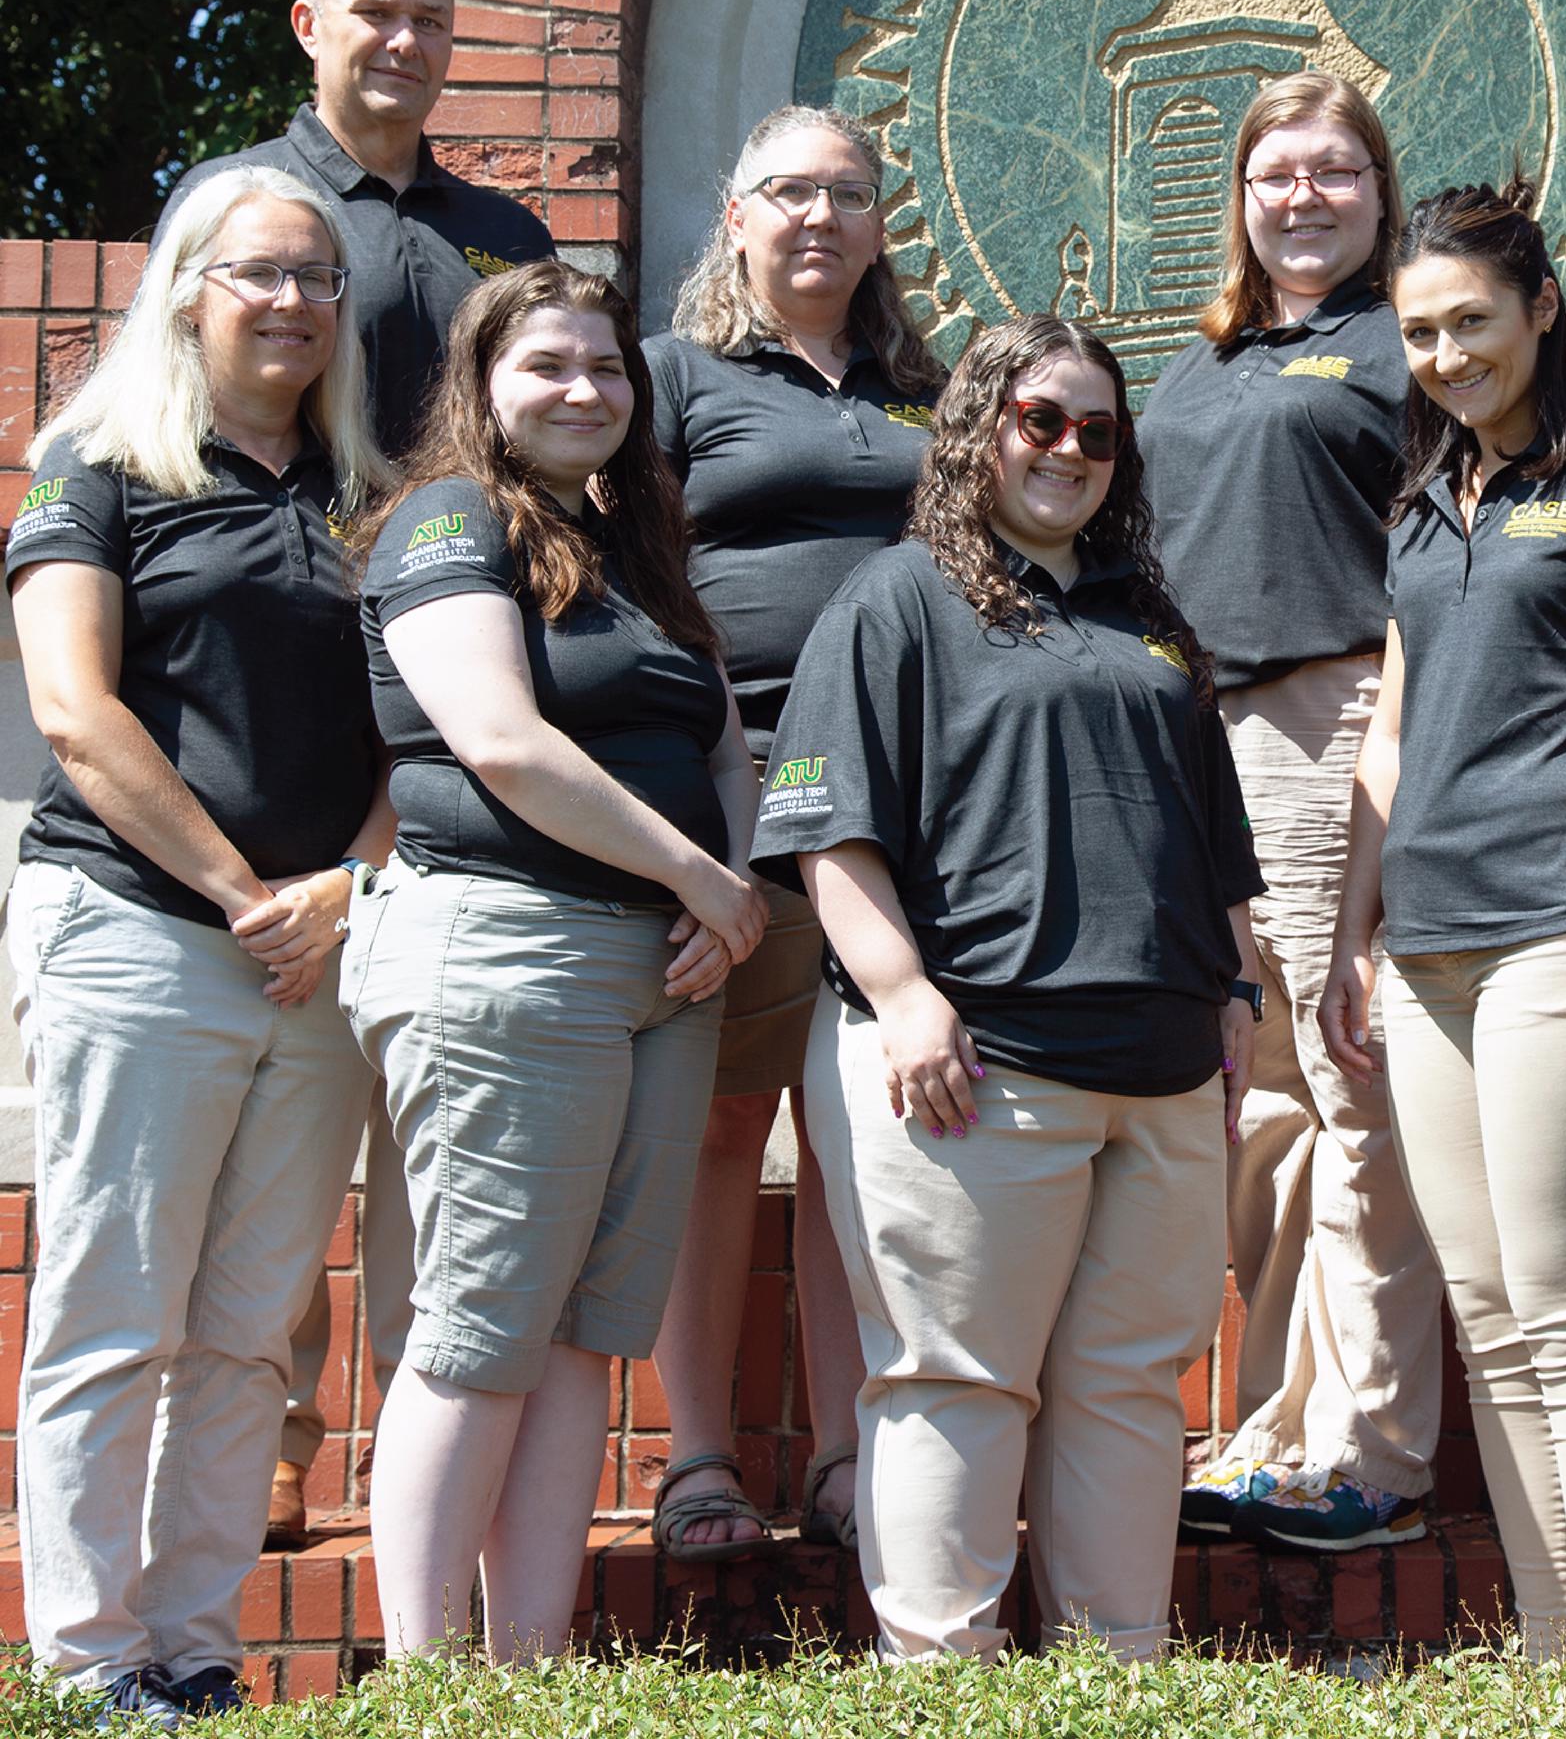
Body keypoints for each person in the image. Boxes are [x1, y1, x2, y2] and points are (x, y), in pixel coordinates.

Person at [753, 314, 1261, 1662]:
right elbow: (828, 835)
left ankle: (1114, 1675)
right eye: (1041, 419)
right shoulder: (895, 599)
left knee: (1130, 1391)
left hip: (1159, 1076)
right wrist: (906, 994)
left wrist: (1237, 1001)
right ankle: (941, 1682)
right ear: (978, 429)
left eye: (1100, 430)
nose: (1071, 450)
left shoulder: (1150, 619)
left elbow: (1212, 851)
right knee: (955, 1383)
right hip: (975, 1066)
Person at [158, 0, 555, 1549]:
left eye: (429, 20)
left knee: (425, 1112)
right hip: (284, 680)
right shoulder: (242, 204)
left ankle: (417, 1468)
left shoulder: (496, 230)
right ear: (309, 21)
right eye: (374, 13)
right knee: (282, 1116)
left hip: (460, 695)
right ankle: (277, 1438)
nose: (402, 41)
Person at [5, 166, 391, 1722]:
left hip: (316, 956)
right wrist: (249, 893)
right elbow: (72, 713)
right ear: (185, 289)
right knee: (116, 1305)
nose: (290, 301)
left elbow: (415, 736)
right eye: (256, 274)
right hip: (143, 933)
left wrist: (342, 893)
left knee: (245, 1327)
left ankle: (198, 1652)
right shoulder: (90, 466)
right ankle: (91, 1663)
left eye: (317, 277)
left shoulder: (365, 491)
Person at [1319, 183, 1566, 1658]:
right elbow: (1388, 734)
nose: (1443, 354)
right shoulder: (1428, 498)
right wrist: (1353, 933)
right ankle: (1557, 1652)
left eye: (1469, 322)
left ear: (1545, 308)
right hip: (1426, 955)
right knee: (1489, 1323)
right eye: (1420, 332)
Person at [342, 262, 765, 1661]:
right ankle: (426, 1673)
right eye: (548, 366)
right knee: (480, 1324)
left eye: (607, 368)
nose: (585, 389)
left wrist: (729, 891)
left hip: (657, 974)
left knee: (588, 1327)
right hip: (504, 952)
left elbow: (714, 742)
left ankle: (523, 1665)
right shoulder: (449, 519)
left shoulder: (636, 553)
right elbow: (503, 742)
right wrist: (698, 876)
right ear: (482, 386)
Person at [1140, 71, 1442, 1553]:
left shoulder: (1406, 351)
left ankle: (1371, 1443)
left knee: (1352, 1084)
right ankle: (1270, 1427)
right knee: (1260, 1109)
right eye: (1276, 174)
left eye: (1334, 172)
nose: (1303, 197)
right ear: (1240, 196)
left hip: (1336, 724)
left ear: (1381, 198)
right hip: (1199, 742)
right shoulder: (1200, 365)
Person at [641, 105, 943, 1562]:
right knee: (715, 1128)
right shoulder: (675, 383)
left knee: (853, 1141)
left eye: (848, 194)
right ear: (738, 215)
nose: (819, 217)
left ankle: (843, 1456)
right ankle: (699, 1460)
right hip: (734, 794)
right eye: (788, 192)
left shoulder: (922, 389)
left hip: (896, 810)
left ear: (881, 223)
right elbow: (633, 582)